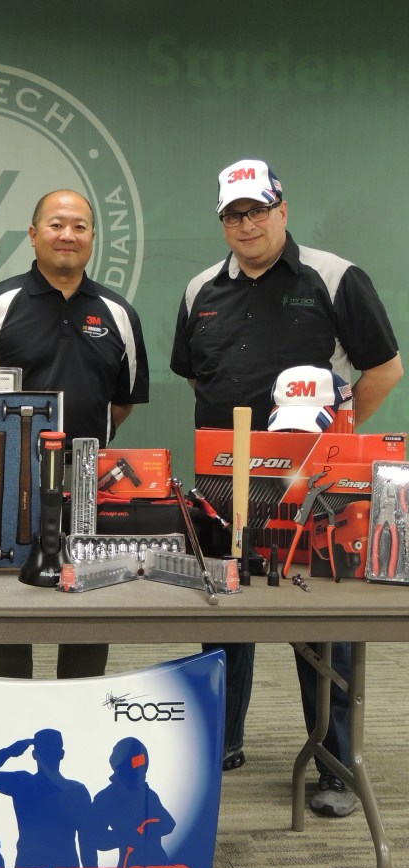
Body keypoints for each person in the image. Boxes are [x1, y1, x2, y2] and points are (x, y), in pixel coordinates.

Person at [170, 158, 402, 817]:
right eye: (234, 215)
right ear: (223, 221)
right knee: (222, 612)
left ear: (283, 210)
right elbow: (197, 376)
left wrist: (336, 442)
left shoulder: (335, 278)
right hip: (225, 480)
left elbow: (384, 369)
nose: (247, 224)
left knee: (323, 622)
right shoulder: (199, 289)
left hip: (314, 484)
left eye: (258, 210)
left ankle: (336, 767)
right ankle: (222, 744)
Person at [0, 189, 149, 679]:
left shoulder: (119, 313)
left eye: (80, 226)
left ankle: (80, 708)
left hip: (88, 488)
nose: (68, 235)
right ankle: (8, 706)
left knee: (88, 613)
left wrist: (81, 451)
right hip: (6, 486)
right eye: (56, 224)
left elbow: (121, 401)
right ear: (33, 234)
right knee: (6, 614)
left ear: (93, 237)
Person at [0, 730, 96, 868]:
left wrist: (10, 751)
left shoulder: (22, 783)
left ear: (34, 754)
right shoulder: (76, 791)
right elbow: (87, 843)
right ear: (61, 754)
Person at [92, 737, 176, 868]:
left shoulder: (149, 795)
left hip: (158, 867)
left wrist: (148, 829)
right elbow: (97, 838)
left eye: (142, 762)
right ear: (122, 766)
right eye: (136, 763)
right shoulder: (106, 798)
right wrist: (129, 834)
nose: (140, 769)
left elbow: (169, 824)